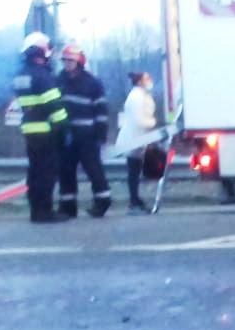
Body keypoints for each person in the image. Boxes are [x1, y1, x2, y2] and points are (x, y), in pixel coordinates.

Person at [12, 32, 68, 223]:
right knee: (46, 173)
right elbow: (54, 105)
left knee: (35, 172)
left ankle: (36, 210)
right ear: (40, 51)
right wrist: (64, 127)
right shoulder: (42, 75)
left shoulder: (21, 75)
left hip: (29, 130)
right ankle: (45, 211)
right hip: (45, 130)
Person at [55, 43, 112, 218]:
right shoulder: (58, 81)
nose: (67, 64)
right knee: (66, 171)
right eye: (65, 61)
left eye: (70, 61)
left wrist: (101, 135)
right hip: (66, 135)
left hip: (88, 136)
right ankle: (67, 207)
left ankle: (102, 201)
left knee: (94, 170)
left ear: (79, 62)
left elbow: (101, 111)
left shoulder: (92, 83)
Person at [116, 71, 159, 214]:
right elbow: (139, 120)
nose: (150, 80)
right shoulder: (136, 97)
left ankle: (135, 200)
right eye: (147, 78)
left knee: (135, 171)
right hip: (134, 139)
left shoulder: (141, 95)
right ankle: (134, 201)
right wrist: (153, 122)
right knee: (133, 171)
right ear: (140, 82)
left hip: (139, 138)